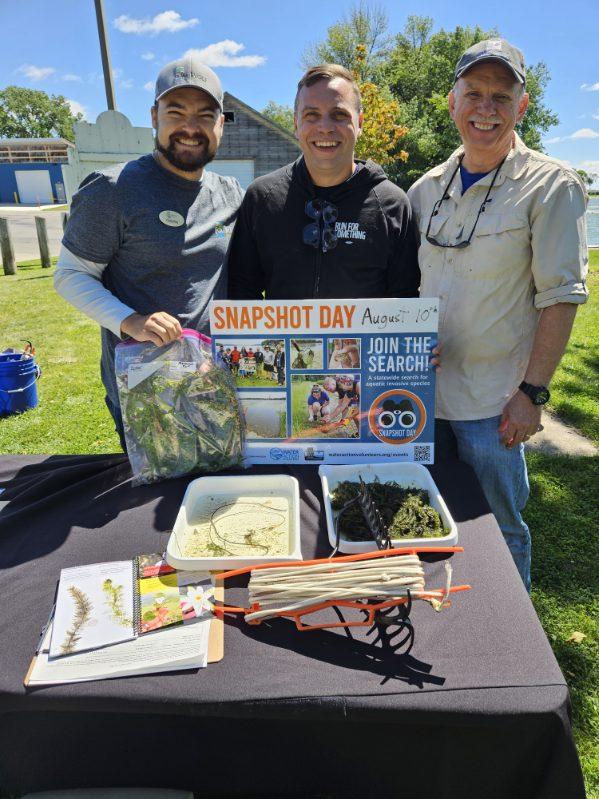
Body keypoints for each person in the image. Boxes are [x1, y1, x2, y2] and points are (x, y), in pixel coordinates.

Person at [408, 39, 588, 591]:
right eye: (474, 94)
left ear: (521, 106)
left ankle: (515, 657)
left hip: (495, 405)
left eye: (501, 96)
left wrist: (532, 394)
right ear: (451, 101)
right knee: (423, 526)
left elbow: (560, 296)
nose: (486, 108)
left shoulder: (552, 185)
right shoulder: (423, 190)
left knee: (499, 529)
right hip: (421, 399)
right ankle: (450, 633)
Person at [54, 55, 243, 445]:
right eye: (176, 112)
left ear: (221, 124)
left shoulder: (231, 195)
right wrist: (131, 321)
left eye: (205, 115)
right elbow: (71, 275)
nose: (190, 128)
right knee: (150, 495)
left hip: (213, 379)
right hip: (143, 386)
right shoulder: (112, 189)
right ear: (154, 116)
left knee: (215, 490)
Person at [227, 64, 420, 300]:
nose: (325, 128)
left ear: (359, 123)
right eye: (312, 115)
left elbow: (405, 301)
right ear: (296, 124)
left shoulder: (393, 204)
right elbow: (242, 292)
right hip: (284, 339)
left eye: (339, 115)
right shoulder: (262, 197)